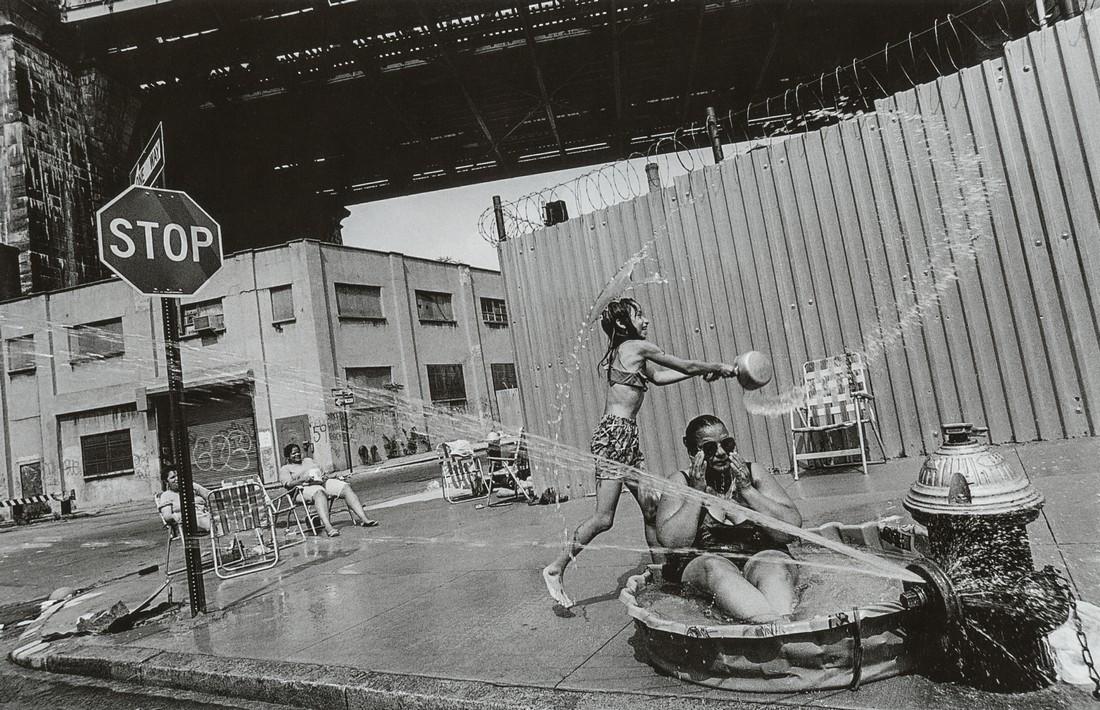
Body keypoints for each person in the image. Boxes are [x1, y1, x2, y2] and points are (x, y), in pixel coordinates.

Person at [542, 298, 738, 608]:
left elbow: (660, 377)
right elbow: (684, 364)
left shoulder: (631, 353)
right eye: (639, 315)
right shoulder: (635, 346)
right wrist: (720, 368)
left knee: (651, 510)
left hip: (627, 438)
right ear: (623, 324)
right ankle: (555, 568)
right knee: (604, 518)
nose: (646, 320)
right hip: (614, 437)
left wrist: (700, 374)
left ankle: (665, 577)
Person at [657, 414, 802, 622]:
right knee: (714, 567)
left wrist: (748, 490)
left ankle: (783, 626)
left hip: (758, 557)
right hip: (706, 564)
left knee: (774, 566)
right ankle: (770, 623)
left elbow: (790, 530)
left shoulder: (753, 473)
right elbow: (673, 543)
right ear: (692, 452)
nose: (721, 453)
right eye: (709, 448)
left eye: (727, 444)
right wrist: (696, 494)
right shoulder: (681, 482)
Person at [279, 442, 378, 537]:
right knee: (320, 493)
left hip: (320, 483)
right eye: (293, 453)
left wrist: (324, 476)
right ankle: (328, 527)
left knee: (345, 487)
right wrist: (302, 480)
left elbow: (320, 472)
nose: (297, 454)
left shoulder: (308, 460)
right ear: (288, 456)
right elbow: (288, 484)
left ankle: (364, 519)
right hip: (302, 489)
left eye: (298, 452)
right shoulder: (285, 468)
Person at [156, 468, 212, 533]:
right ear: (166, 481)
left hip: (205, 515)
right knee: (214, 523)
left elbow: (210, 495)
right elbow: (167, 516)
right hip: (188, 522)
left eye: (179, 476)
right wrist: (179, 517)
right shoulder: (166, 495)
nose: (177, 479)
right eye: (173, 477)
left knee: (221, 518)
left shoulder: (191, 486)